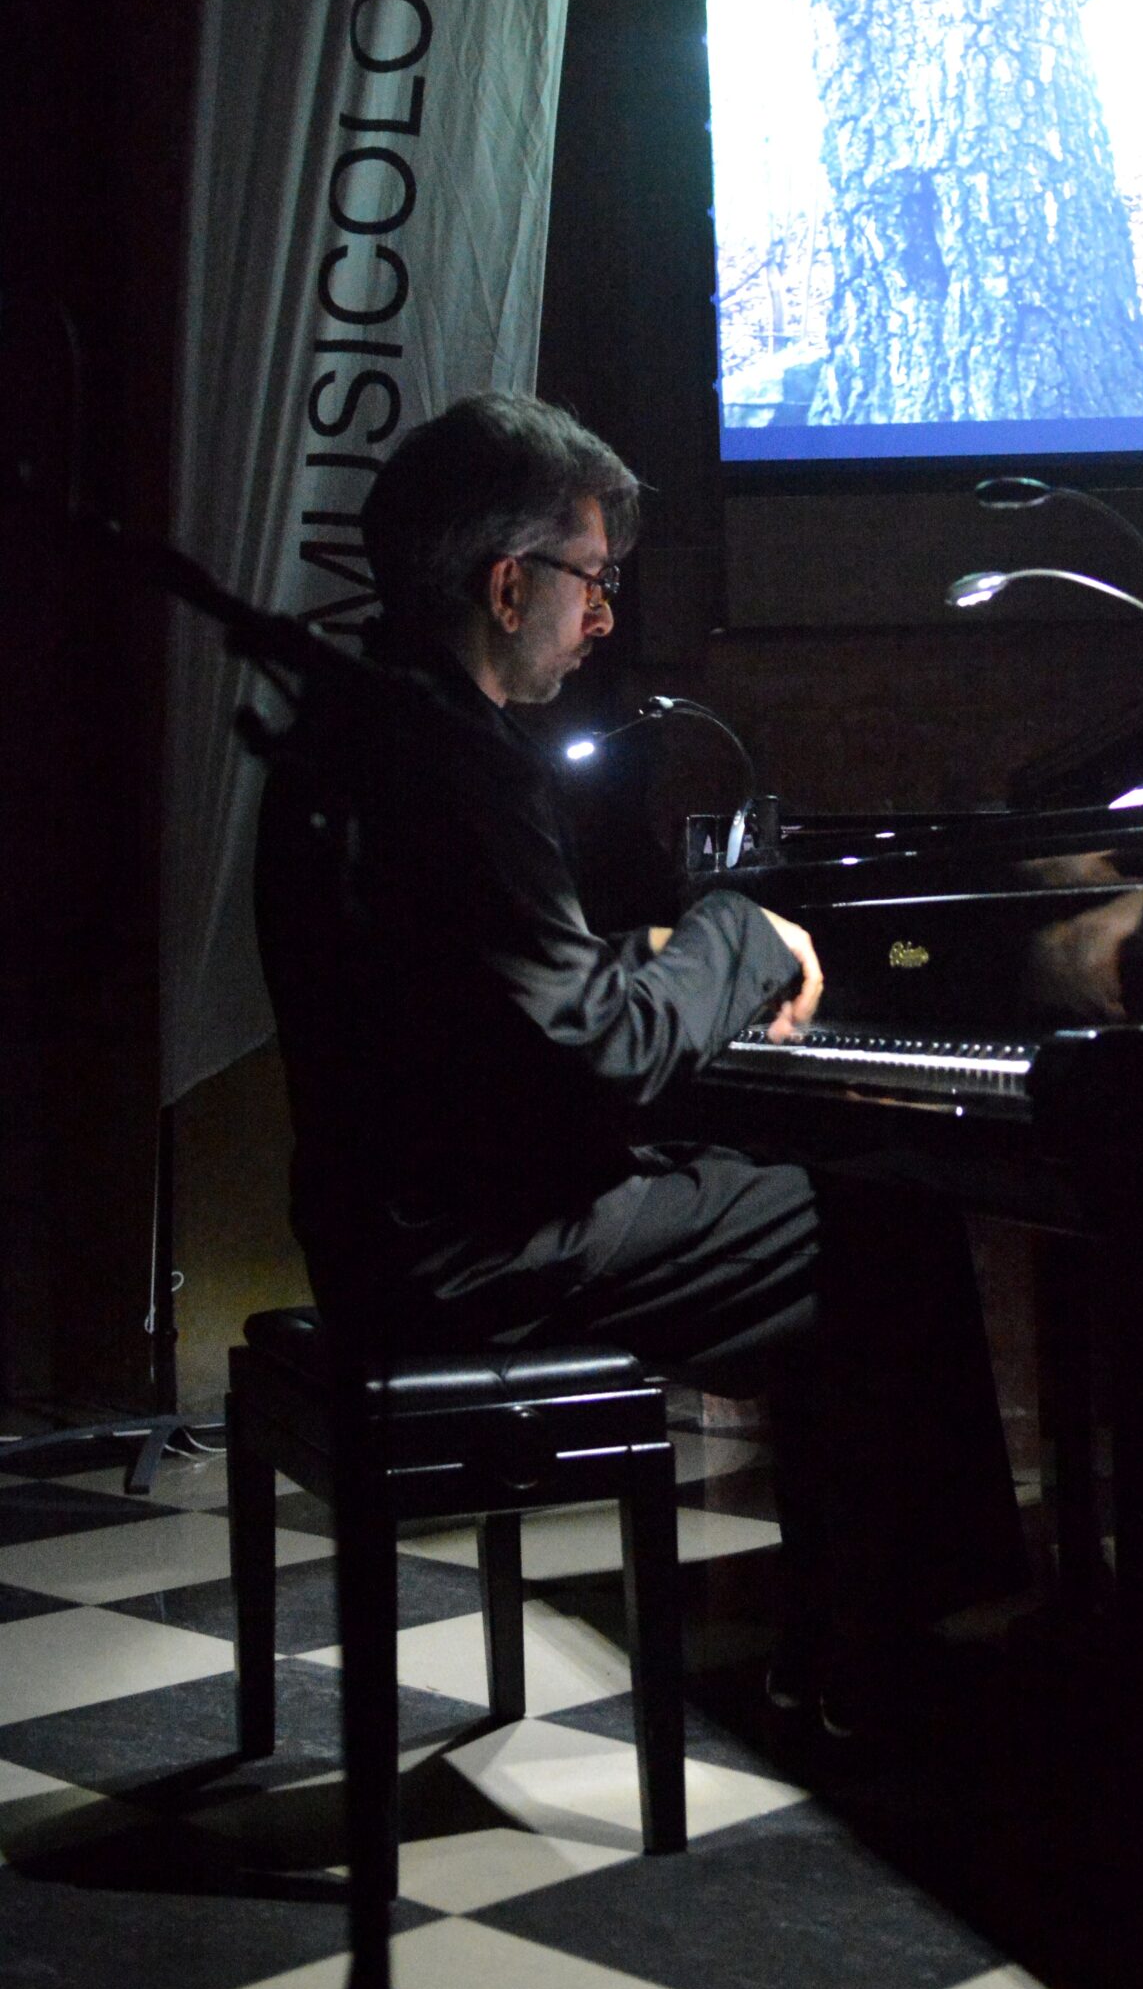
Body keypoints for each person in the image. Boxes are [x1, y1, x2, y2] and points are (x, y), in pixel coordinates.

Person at [254, 391, 1024, 1734]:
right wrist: (737, 934)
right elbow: (600, 1056)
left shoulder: (347, 730)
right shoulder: (457, 762)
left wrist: (640, 951)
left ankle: (843, 1639)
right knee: (881, 1218)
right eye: (593, 580)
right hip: (475, 1256)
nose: (604, 617)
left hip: (382, 1230)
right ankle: (898, 1653)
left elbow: (480, 997)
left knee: (800, 1197)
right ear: (509, 585)